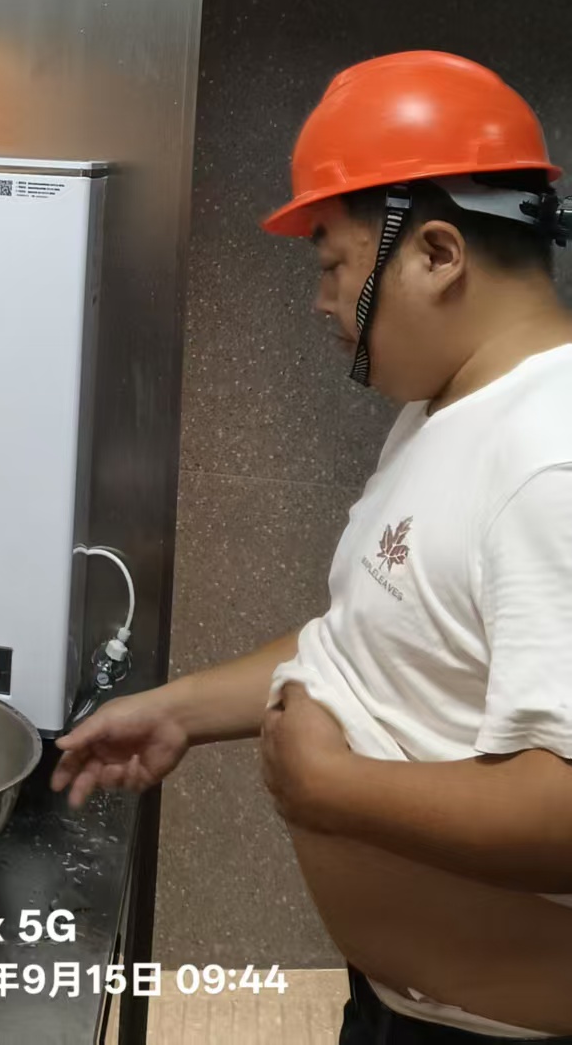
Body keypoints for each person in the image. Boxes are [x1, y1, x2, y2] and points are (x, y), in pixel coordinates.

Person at [52, 52, 572, 1041]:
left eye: (332, 264)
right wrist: (179, 709)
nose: (320, 300)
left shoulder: (548, 463)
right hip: (396, 1005)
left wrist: (333, 788)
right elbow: (372, 638)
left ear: (435, 253)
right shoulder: (446, 411)